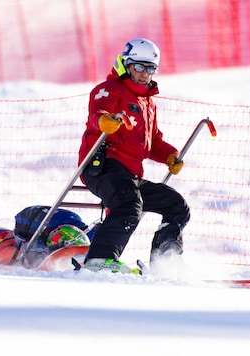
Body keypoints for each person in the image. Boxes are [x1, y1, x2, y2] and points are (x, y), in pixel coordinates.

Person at [78, 38, 190, 273]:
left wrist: (170, 156)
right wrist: (104, 121)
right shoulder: (109, 89)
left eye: (150, 69)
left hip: (128, 175)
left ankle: (165, 262)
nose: (143, 74)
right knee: (129, 204)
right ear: (126, 64)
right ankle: (99, 260)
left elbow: (153, 142)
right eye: (139, 67)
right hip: (102, 166)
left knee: (176, 205)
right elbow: (97, 113)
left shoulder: (147, 103)